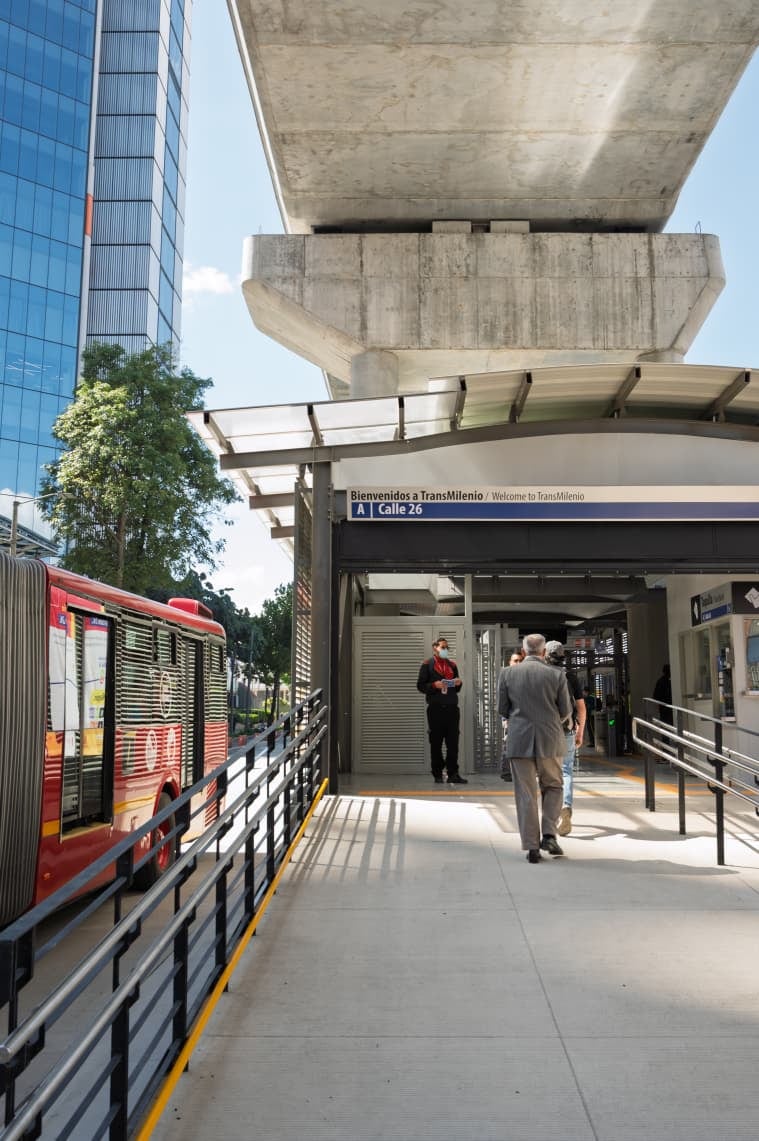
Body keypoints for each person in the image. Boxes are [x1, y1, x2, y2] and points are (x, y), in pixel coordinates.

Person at [497, 633, 572, 863]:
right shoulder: (557, 674)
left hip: (519, 740)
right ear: (543, 652)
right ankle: (549, 834)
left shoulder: (507, 673)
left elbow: (502, 709)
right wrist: (549, 722)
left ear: (523, 649)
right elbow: (566, 710)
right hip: (550, 738)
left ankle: (531, 847)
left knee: (526, 794)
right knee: (554, 786)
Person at [545, 641, 586, 837]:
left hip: (546, 731)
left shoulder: (542, 674)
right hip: (567, 729)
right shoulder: (570, 676)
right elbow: (581, 707)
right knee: (566, 770)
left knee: (546, 772)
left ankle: (550, 813)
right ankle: (566, 807)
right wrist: (580, 732)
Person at [416, 637, 468, 784]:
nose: (445, 650)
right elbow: (420, 686)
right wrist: (433, 686)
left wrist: (459, 683)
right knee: (436, 742)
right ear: (435, 647)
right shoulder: (427, 665)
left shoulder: (452, 665)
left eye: (447, 648)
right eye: (443, 647)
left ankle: (453, 773)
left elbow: (456, 688)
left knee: (453, 743)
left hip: (452, 709)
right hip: (436, 709)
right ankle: (437, 773)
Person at [498, 649, 524, 782]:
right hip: (511, 715)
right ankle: (507, 772)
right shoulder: (506, 674)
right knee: (508, 743)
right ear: (510, 662)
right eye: (515, 661)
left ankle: (520, 772)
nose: (518, 663)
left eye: (520, 661)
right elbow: (502, 697)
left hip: (525, 716)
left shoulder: (526, 675)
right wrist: (505, 717)